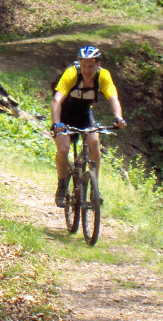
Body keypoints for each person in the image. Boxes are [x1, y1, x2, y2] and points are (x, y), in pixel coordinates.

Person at [50, 45, 127, 207]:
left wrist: (118, 117)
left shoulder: (103, 76)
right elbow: (57, 100)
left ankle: (94, 188)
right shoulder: (72, 73)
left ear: (98, 64)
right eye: (83, 65)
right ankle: (62, 186)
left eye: (91, 65)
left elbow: (113, 98)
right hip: (64, 115)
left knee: (94, 144)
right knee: (63, 149)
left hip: (85, 114)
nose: (87, 69)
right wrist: (57, 123)